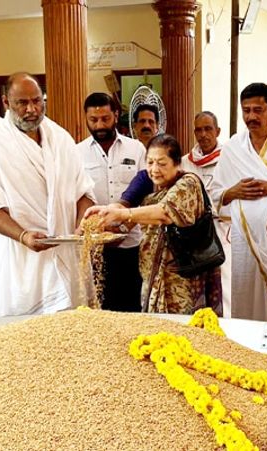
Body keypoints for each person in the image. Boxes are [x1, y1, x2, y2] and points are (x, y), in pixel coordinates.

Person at [0, 73, 95, 318]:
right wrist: (23, 236)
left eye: (37, 101)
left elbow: (83, 191)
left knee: (68, 329)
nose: (31, 109)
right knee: (22, 334)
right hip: (18, 259)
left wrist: (80, 227)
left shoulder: (60, 138)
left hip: (63, 251)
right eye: (22, 103)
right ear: (6, 103)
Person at [85, 134, 222, 314]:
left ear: (177, 164)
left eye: (162, 163)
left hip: (182, 279)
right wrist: (104, 213)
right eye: (150, 162)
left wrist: (121, 213)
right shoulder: (150, 186)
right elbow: (127, 207)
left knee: (185, 332)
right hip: (154, 277)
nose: (154, 169)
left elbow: (164, 213)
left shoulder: (188, 183)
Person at [208, 82, 267, 323]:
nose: (251, 117)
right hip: (244, 240)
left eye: (258, 110)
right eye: (246, 110)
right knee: (245, 296)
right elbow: (215, 193)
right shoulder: (233, 148)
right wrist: (233, 191)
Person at [77, 93, 146, 312]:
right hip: (95, 248)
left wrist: (123, 227)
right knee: (100, 309)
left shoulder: (136, 149)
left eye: (105, 118)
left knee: (131, 308)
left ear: (116, 115)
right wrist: (97, 231)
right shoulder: (76, 153)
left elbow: (144, 194)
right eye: (93, 120)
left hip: (131, 244)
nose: (99, 125)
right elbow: (78, 195)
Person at [182, 111, 232, 316]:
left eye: (208, 129)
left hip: (222, 230)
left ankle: (228, 324)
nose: (203, 134)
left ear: (217, 131)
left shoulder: (229, 158)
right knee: (195, 284)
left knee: (225, 283)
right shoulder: (185, 162)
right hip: (195, 234)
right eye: (199, 130)